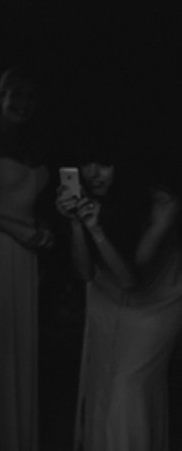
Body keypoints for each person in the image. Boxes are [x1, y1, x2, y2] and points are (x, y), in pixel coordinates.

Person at [55, 144, 182, 451]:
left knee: (129, 388)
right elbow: (85, 273)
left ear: (125, 164)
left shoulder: (165, 203)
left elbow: (130, 280)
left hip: (156, 307)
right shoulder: (92, 199)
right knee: (101, 385)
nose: (94, 173)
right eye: (87, 163)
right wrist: (76, 223)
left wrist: (96, 230)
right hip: (104, 300)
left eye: (105, 163)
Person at [0, 67, 52, 451]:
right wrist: (18, 230)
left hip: (29, 251)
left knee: (24, 340)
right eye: (14, 96)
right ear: (0, 98)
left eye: (29, 99)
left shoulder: (36, 143)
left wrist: (40, 229)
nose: (21, 105)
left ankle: (21, 434)